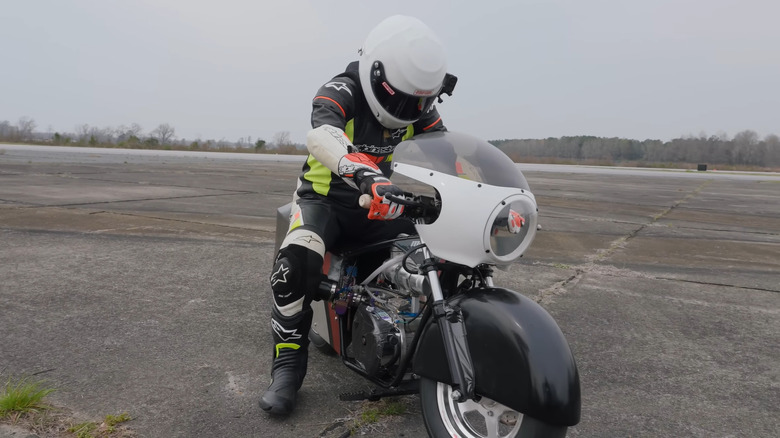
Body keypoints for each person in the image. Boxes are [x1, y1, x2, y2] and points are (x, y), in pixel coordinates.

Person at [259, 14, 456, 415]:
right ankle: (287, 366)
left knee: (440, 256)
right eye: (400, 98)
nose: (408, 109)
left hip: (378, 204)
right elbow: (322, 133)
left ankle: (433, 343)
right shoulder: (341, 89)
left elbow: (444, 150)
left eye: (419, 102)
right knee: (295, 262)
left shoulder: (417, 106)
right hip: (323, 202)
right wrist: (366, 174)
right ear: (374, 70)